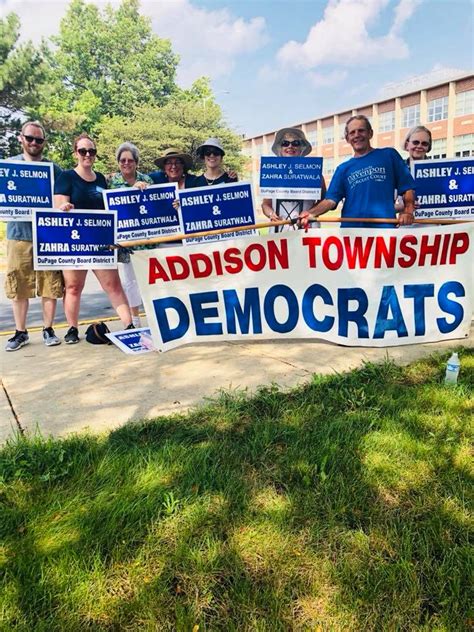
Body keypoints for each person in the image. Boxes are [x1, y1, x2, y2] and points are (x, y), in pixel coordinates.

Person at [54, 133, 133, 344]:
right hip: (75, 242)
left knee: (114, 286)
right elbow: (57, 207)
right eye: (83, 151)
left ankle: (129, 325)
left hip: (100, 243)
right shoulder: (66, 177)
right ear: (76, 153)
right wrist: (65, 208)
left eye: (91, 151)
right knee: (73, 287)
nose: (87, 154)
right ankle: (72, 328)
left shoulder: (100, 179)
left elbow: (112, 207)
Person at [4, 121, 64, 351]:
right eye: (30, 138)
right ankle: (20, 332)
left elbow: (62, 197)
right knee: (18, 284)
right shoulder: (8, 167)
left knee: (50, 284)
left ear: (43, 143)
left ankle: (48, 329)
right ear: (21, 138)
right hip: (18, 235)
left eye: (38, 140)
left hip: (48, 235)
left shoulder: (53, 169)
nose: (34, 143)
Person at [299, 115, 416, 229]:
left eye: (361, 131)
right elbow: (330, 200)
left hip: (384, 229)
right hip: (352, 233)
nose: (357, 135)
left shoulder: (389, 155)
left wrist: (408, 211)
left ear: (370, 133)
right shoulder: (343, 169)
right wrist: (311, 213)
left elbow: (407, 187)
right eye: (352, 132)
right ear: (347, 139)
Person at [108, 142, 153, 328]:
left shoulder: (147, 180)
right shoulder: (111, 182)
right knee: (130, 282)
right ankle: (135, 319)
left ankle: (154, 317)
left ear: (136, 162)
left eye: (130, 160)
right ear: (118, 162)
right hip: (124, 242)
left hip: (146, 241)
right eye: (122, 160)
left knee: (149, 280)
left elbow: (156, 205)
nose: (126, 163)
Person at [262, 127, 326, 232]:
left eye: (295, 143)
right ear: (280, 149)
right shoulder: (272, 173)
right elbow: (266, 204)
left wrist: (311, 213)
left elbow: (324, 201)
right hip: (279, 229)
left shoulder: (314, 173)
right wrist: (270, 214)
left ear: (302, 149)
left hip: (307, 229)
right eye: (285, 143)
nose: (290, 146)